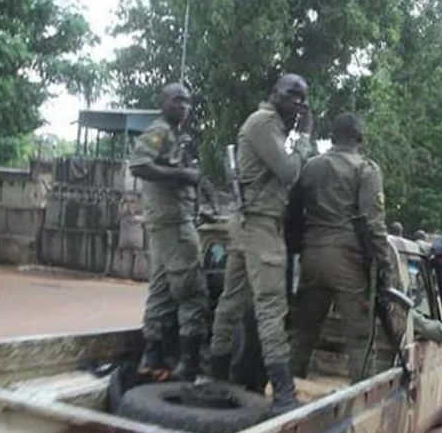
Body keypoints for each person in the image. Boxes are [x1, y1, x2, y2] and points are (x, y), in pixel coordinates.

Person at [208, 74, 317, 413]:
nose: (298, 103)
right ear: (274, 95)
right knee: (271, 308)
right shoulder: (264, 122)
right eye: (291, 95)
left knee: (232, 303)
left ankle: (217, 376)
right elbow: (288, 172)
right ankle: (283, 391)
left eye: (303, 98)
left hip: (249, 224)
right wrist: (305, 138)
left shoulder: (273, 127)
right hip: (260, 227)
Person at [287, 113, 391, 383]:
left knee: (303, 332)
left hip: (311, 254)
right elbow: (373, 225)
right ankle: (362, 401)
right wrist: (384, 268)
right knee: (359, 338)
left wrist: (299, 249)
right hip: (348, 259)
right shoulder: (366, 170)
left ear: (332, 137)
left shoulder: (310, 167)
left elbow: (292, 214)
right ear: (360, 138)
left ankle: (285, 391)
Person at [128, 83, 211, 381]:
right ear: (163, 103)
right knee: (193, 291)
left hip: (167, 221)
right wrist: (182, 175)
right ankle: (189, 363)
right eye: (177, 100)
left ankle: (151, 356)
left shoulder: (175, 136)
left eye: (188, 101)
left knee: (162, 290)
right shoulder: (159, 130)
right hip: (174, 222)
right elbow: (139, 164)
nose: (184, 106)